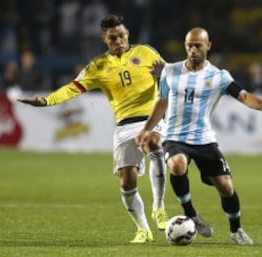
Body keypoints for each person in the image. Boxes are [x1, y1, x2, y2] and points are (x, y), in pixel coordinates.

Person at [17, 14, 168, 243]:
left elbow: (172, 78)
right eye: (113, 38)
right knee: (127, 182)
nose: (118, 41)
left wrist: (162, 75)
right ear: (104, 40)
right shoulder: (98, 66)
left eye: (121, 36)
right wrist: (47, 101)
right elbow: (71, 89)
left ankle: (159, 209)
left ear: (127, 34)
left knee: (154, 143)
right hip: (124, 126)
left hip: (152, 119)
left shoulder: (146, 52)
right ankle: (143, 229)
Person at [136, 27, 262, 245]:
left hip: (204, 140)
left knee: (226, 188)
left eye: (197, 45)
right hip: (175, 137)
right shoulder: (170, 71)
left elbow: (244, 96)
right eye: (189, 45)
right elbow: (162, 101)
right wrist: (147, 128)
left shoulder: (219, 76)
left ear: (208, 46)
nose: (192, 49)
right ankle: (191, 213)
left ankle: (236, 230)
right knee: (177, 164)